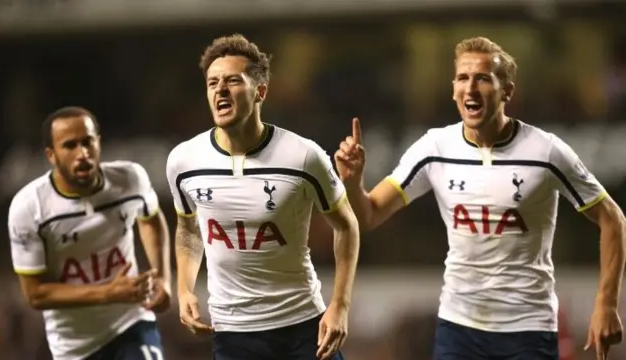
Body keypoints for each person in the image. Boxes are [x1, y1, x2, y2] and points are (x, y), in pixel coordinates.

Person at [335, 37, 626, 360]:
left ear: (507, 92)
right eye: (463, 78)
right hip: (459, 328)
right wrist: (353, 181)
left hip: (528, 328)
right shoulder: (435, 148)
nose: (470, 88)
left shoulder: (546, 151)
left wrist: (606, 304)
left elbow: (612, 218)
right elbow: (369, 215)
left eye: (483, 78)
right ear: (453, 89)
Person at [166, 34, 360, 360]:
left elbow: (347, 226)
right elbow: (188, 228)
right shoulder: (184, 161)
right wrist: (184, 288)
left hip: (302, 327)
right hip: (233, 335)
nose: (220, 90)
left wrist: (339, 305)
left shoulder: (303, 156)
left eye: (232, 81)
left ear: (261, 91)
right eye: (213, 82)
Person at [8, 106, 172, 360]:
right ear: (51, 155)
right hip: (73, 346)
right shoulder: (29, 207)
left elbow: (151, 219)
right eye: (70, 145)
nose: (82, 153)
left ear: (99, 142)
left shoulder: (130, 179)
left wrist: (162, 277)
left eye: (88, 142)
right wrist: (108, 293)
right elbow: (36, 294)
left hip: (131, 322)